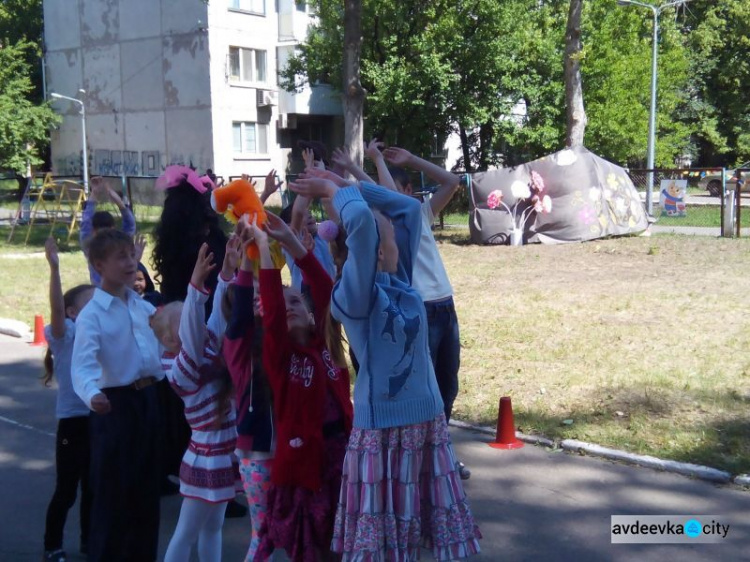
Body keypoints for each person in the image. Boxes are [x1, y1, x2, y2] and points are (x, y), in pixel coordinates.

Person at [290, 172, 481, 560]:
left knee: (409, 537)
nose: (397, 234)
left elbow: (409, 209)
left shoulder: (403, 283)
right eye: (387, 233)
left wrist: (356, 188)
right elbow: (360, 224)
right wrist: (335, 191)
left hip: (425, 427)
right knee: (386, 546)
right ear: (376, 249)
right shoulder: (356, 296)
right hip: (384, 436)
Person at [335, 142, 470, 479]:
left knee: (447, 385)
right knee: (429, 389)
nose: (394, 196)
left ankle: (439, 451)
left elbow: (452, 182)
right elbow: (387, 196)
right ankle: (432, 460)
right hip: (419, 309)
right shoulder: (397, 224)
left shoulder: (420, 213)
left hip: (444, 306)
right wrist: (368, 166)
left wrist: (411, 158)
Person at [248, 213, 353, 562]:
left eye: (296, 302)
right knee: (314, 546)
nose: (288, 307)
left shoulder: (326, 344)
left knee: (346, 541)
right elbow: (274, 313)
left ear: (311, 315)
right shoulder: (280, 357)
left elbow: (324, 289)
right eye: (283, 304)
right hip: (306, 465)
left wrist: (294, 246)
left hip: (343, 456)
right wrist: (265, 249)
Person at [71, 229, 164, 562]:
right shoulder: (92, 315)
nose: (130, 262)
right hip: (116, 408)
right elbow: (81, 368)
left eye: (131, 254)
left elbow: (160, 353)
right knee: (113, 502)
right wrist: (93, 394)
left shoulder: (141, 307)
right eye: (120, 257)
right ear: (99, 265)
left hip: (148, 403)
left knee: (146, 499)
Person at [151, 244, 237, 562]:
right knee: (186, 532)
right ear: (173, 340)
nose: (194, 322)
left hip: (222, 451)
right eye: (185, 322)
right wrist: (195, 289)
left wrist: (227, 271)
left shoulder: (206, 350)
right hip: (207, 458)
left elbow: (216, 318)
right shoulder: (181, 371)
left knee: (213, 528)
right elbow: (195, 327)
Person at [41, 238, 95, 562]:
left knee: (93, 487)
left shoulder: (100, 333)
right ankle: (52, 545)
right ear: (74, 312)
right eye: (90, 303)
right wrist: (55, 268)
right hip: (73, 423)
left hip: (97, 419)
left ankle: (91, 540)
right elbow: (57, 310)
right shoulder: (66, 336)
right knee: (67, 491)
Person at [79, 176, 136, 286]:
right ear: (113, 227)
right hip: (117, 289)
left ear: (93, 230)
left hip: (102, 290)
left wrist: (95, 193)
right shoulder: (117, 244)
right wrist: (119, 202)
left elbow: (86, 222)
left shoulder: (89, 245)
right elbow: (130, 225)